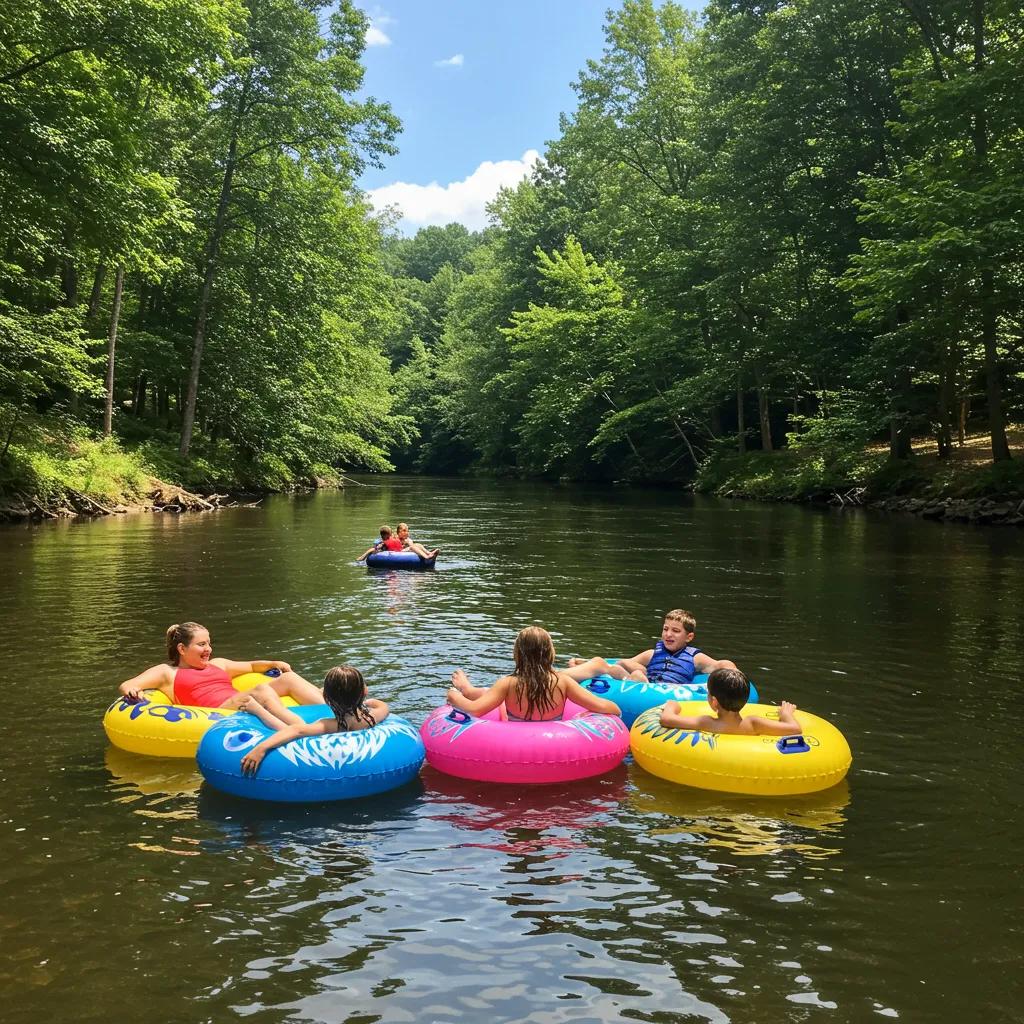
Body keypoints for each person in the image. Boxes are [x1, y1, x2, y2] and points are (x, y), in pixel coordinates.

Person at [117, 622, 325, 722]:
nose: (208, 649)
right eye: (201, 644)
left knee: (288, 678)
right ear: (182, 649)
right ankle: (297, 727)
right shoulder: (167, 673)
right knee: (261, 690)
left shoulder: (219, 664)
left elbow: (252, 666)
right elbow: (128, 684)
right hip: (219, 711)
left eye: (209, 643)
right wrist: (134, 691)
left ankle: (335, 712)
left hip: (239, 700)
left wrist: (274, 662)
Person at [447, 626, 621, 722]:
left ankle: (467, 690)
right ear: (550, 653)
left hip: (513, 742)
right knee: (496, 699)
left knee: (498, 703)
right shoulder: (563, 682)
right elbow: (611, 709)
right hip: (554, 743)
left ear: (517, 654)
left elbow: (475, 710)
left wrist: (454, 696)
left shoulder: (508, 683)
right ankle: (469, 690)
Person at [240, 665, 389, 775]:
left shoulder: (328, 725)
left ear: (326, 697)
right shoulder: (371, 718)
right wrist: (371, 703)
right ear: (364, 691)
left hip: (303, 740)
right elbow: (384, 707)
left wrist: (261, 749)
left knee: (298, 725)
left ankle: (258, 710)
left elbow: (295, 730)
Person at [564, 608, 737, 687]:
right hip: (645, 685)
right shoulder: (652, 654)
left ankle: (639, 681)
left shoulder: (694, 657)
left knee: (638, 673)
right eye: (665, 629)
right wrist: (585, 662)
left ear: (689, 637)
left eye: (676, 631)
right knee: (608, 664)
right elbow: (620, 663)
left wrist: (733, 675)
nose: (668, 634)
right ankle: (553, 677)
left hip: (671, 692)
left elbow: (720, 665)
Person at [659, 667, 801, 736]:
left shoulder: (706, 723)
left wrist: (673, 704)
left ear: (714, 702)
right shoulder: (753, 724)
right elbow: (795, 729)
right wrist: (785, 714)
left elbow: (666, 719)